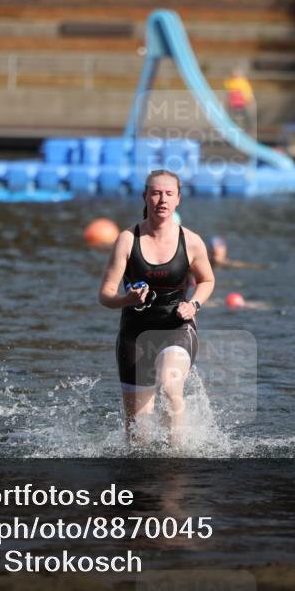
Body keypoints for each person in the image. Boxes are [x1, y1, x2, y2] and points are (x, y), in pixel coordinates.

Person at [98, 169, 215, 445]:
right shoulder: (128, 240)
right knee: (138, 436)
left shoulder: (191, 241)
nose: (162, 200)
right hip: (134, 334)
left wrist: (194, 304)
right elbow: (105, 294)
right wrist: (127, 300)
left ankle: (176, 458)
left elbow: (207, 280)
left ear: (178, 199)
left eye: (169, 194)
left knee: (169, 387)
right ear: (145, 197)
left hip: (177, 328)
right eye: (156, 193)